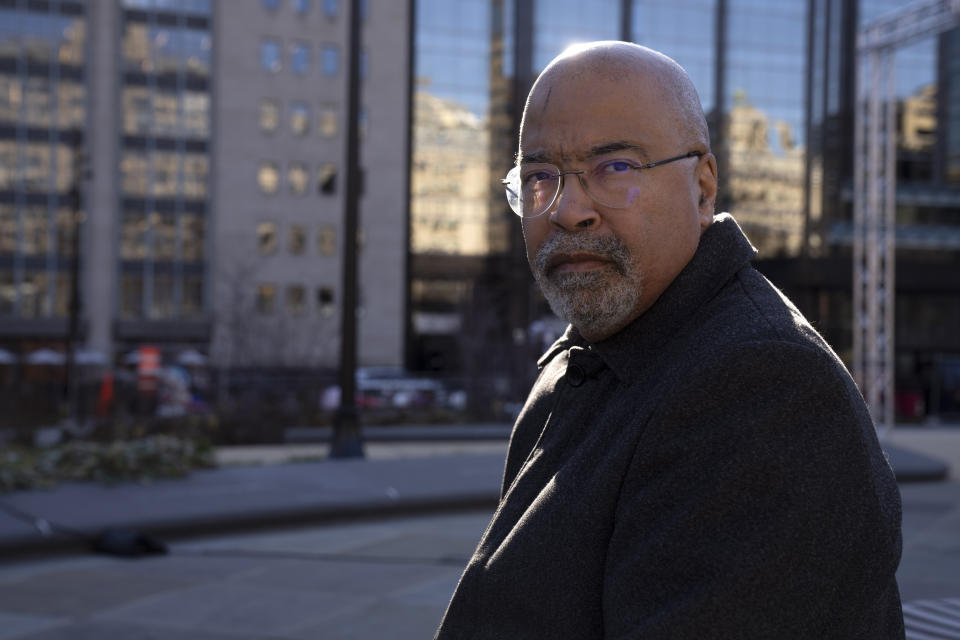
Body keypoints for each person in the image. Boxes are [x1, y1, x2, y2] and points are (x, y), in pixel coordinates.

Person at [435, 41, 904, 639]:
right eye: (539, 176)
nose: (567, 209)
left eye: (616, 167)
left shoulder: (764, 389)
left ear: (703, 189)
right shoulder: (596, 353)